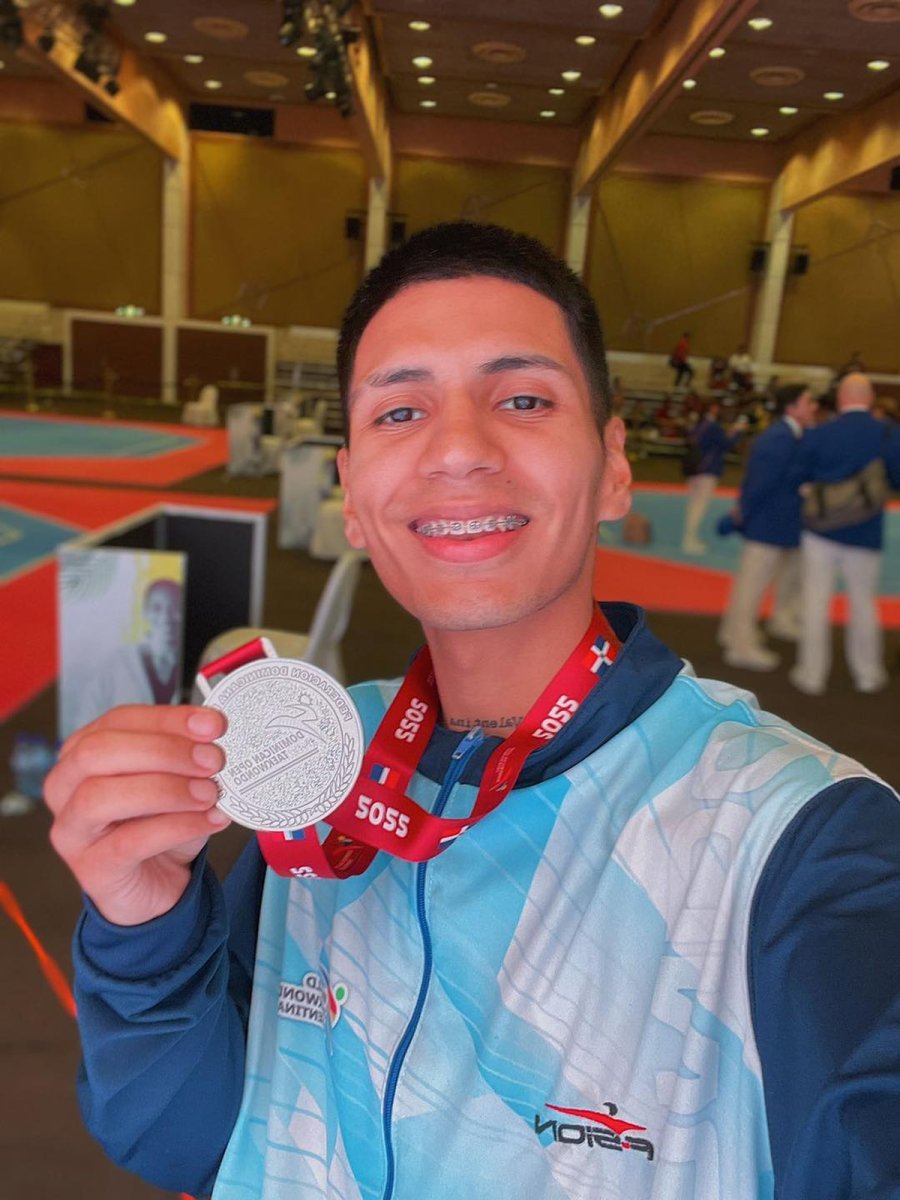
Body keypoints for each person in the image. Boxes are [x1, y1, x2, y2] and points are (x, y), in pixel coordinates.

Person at [45, 223, 900, 1200]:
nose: (457, 448)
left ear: (614, 466)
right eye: (400, 411)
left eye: (524, 399)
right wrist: (146, 927)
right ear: (353, 496)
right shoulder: (318, 769)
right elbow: (189, 1142)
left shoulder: (804, 839)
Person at [790, 372, 900, 695]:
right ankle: (868, 674)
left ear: (840, 398)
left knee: (815, 600)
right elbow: (896, 479)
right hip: (865, 533)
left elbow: (799, 474)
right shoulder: (888, 433)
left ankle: (811, 675)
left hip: (820, 531)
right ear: (870, 398)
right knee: (863, 603)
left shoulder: (820, 432)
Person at [718, 384, 818, 670]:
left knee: (752, 584)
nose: (813, 407)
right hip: (766, 526)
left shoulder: (792, 435)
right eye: (808, 401)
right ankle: (740, 646)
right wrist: (741, 516)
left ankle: (732, 633)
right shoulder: (779, 438)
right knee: (751, 587)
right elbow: (758, 485)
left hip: (779, 525)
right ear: (792, 407)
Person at [72, 578, 183, 729]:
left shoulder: (199, 666)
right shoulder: (116, 664)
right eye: (157, 608)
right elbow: (85, 723)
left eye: (175, 607)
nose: (166, 618)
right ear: (145, 612)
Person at [680, 398, 745, 555]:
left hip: (695, 469)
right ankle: (689, 541)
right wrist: (738, 431)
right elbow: (726, 444)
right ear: (714, 408)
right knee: (699, 507)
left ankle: (689, 538)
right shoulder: (713, 426)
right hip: (707, 471)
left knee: (693, 505)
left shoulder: (700, 424)